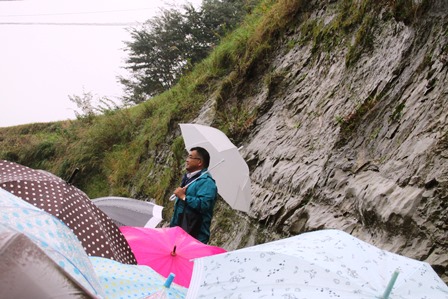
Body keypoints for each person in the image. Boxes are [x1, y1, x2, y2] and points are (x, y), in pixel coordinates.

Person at [169, 147, 218, 244]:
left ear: (199, 162)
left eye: (190, 157)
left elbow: (204, 205)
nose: (187, 160)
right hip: (179, 233)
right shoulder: (189, 179)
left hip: (194, 237)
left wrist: (184, 197)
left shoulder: (207, 182)